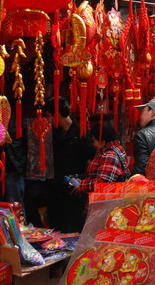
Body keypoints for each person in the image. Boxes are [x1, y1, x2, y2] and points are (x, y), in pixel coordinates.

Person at [44, 97, 95, 232]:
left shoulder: (81, 132)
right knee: (57, 226)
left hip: (73, 189)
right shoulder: (54, 133)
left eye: (49, 115)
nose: (48, 119)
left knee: (74, 226)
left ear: (56, 114)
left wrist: (83, 180)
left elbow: (93, 158)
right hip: (55, 188)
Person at [72, 121, 130, 194]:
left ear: (102, 140)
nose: (93, 144)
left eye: (94, 140)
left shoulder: (109, 155)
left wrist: (82, 185)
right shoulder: (117, 147)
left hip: (108, 201)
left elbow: (103, 183)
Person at [132, 98, 155, 175]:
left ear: (152, 112)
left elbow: (141, 170)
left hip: (151, 185)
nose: (140, 115)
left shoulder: (142, 135)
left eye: (143, 111)